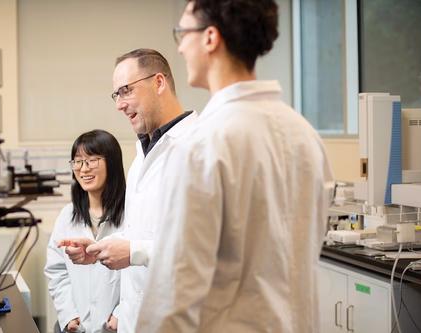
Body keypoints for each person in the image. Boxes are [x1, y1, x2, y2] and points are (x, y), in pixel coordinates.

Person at [136, 1, 335, 332]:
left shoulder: (202, 145)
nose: (181, 47)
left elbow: (173, 292)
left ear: (211, 38)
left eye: (182, 33)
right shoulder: (304, 135)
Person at [59, 48, 198, 333]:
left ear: (158, 82)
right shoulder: (142, 157)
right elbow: (143, 232)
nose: (119, 105)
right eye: (116, 95)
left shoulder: (198, 149)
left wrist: (134, 251)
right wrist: (98, 250)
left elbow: (205, 247)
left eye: (126, 91)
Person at [45, 129, 126, 333]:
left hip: (119, 326)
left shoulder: (132, 214)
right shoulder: (67, 215)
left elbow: (142, 273)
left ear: (112, 163)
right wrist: (68, 314)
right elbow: (56, 270)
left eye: (91, 160)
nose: (83, 169)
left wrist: (122, 313)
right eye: (77, 161)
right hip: (77, 327)